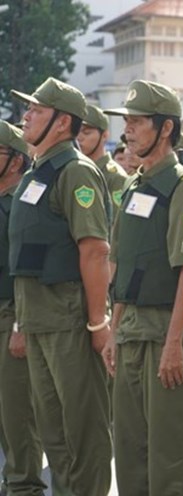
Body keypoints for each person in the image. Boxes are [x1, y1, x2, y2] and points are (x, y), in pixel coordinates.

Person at [9, 76, 113, 495]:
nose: (26, 116)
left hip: (69, 320)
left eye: (35, 109)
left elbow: (94, 250)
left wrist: (96, 323)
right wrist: (22, 322)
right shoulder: (37, 174)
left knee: (82, 432)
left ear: (61, 121)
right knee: (54, 432)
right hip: (38, 320)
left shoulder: (75, 172)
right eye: (27, 108)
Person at [100, 80, 183, 495]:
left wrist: (175, 342)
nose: (128, 132)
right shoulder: (136, 185)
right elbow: (123, 268)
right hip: (131, 333)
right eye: (127, 123)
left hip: (164, 334)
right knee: (129, 448)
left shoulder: (182, 185)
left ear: (166, 128)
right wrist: (113, 331)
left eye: (137, 122)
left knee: (168, 454)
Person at [0, 120, 46, 496]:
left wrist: (21, 322)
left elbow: (28, 270)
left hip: (12, 313)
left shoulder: (23, 205)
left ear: (16, 160)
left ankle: (24, 486)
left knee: (17, 413)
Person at [77, 104, 129, 213]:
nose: (79, 138)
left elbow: (115, 221)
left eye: (86, 132)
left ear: (105, 136)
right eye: (76, 132)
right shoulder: (76, 170)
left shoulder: (115, 177)